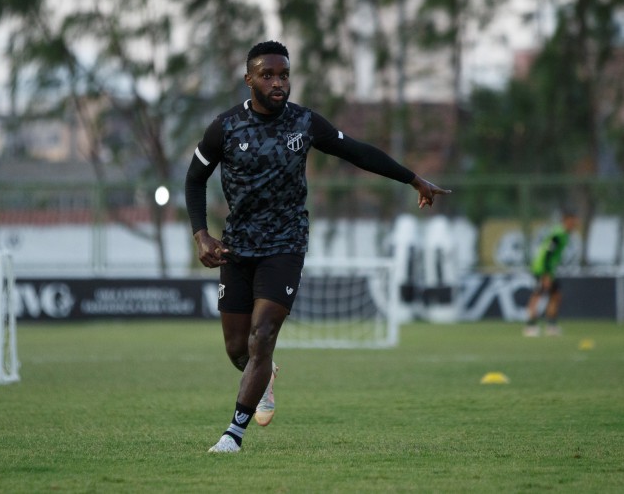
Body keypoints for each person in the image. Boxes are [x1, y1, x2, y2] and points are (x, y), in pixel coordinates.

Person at [184, 41, 450, 453]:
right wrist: (201, 233)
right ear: (248, 79)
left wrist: (413, 178)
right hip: (236, 247)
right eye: (268, 75)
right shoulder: (225, 126)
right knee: (239, 348)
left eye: (284, 74)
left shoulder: (304, 123)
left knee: (264, 332)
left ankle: (233, 433)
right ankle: (265, 374)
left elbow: (356, 151)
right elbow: (194, 179)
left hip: (286, 244)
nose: (278, 83)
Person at [523, 210, 579, 337]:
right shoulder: (557, 234)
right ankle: (530, 326)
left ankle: (551, 325)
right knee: (537, 296)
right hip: (542, 269)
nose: (574, 225)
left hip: (550, 270)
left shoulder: (564, 234)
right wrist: (545, 274)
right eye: (572, 222)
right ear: (566, 221)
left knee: (556, 295)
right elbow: (548, 254)